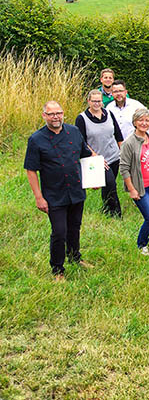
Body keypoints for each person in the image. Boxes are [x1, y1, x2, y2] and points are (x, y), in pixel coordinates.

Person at [25, 101, 96, 280]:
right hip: (54, 194)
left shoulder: (73, 131)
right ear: (44, 116)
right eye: (51, 114)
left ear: (63, 114)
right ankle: (57, 270)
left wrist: (95, 176)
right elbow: (31, 170)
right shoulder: (36, 139)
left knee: (75, 227)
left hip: (76, 190)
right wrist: (38, 197)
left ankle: (74, 257)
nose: (56, 117)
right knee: (59, 232)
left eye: (59, 113)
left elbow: (86, 155)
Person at [119, 109, 149, 255]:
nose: (144, 123)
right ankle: (142, 243)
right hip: (140, 186)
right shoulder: (129, 143)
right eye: (141, 120)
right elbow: (124, 168)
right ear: (134, 122)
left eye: (147, 120)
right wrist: (131, 189)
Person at [75, 89, 124, 218]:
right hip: (97, 158)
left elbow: (118, 134)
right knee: (111, 184)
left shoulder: (109, 113)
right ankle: (116, 214)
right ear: (88, 101)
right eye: (94, 101)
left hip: (113, 155)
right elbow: (81, 141)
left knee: (108, 186)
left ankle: (106, 209)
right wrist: (95, 157)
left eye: (99, 101)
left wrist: (123, 153)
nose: (97, 104)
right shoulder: (82, 118)